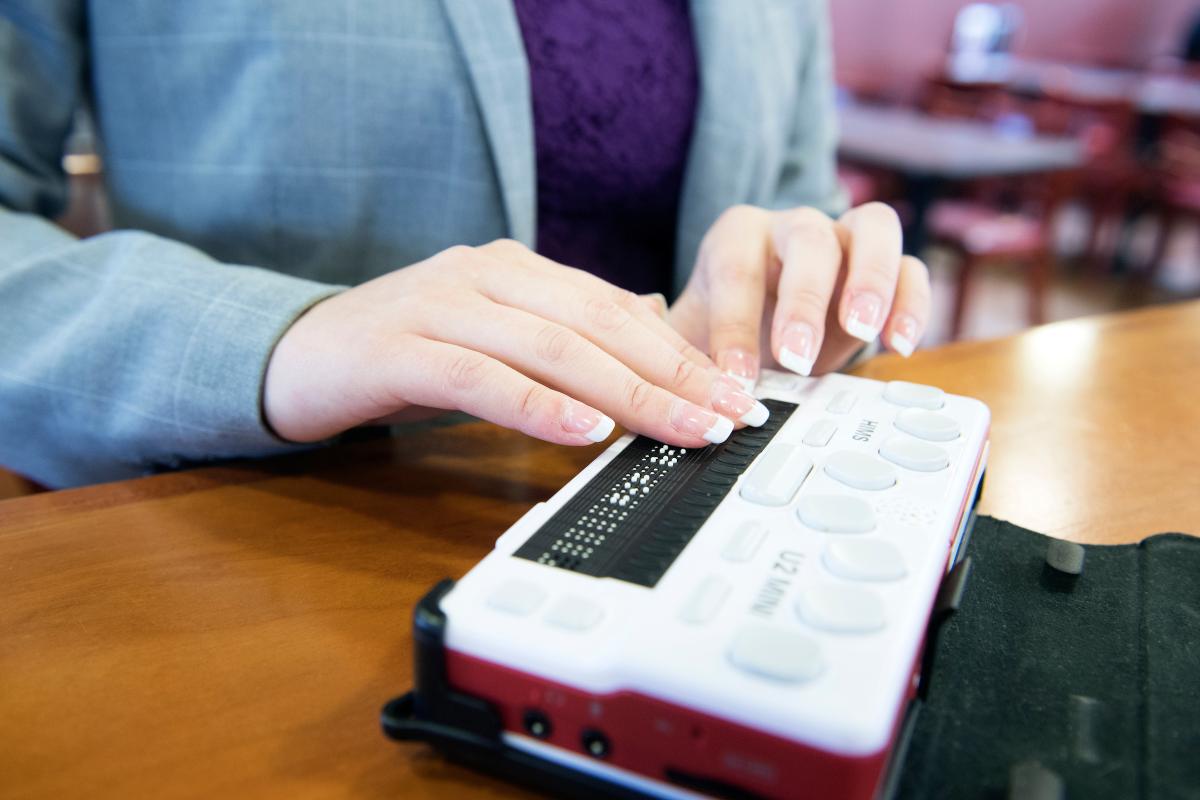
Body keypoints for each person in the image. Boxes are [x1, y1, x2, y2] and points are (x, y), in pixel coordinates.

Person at [0, 0, 930, 489]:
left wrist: (792, 290)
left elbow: (792, 201)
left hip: (698, 534)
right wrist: (279, 338)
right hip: (279, 542)